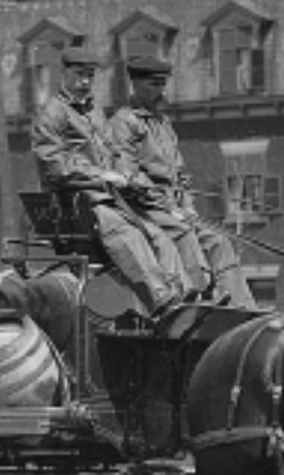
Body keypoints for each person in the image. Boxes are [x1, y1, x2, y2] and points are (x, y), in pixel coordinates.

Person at [30, 45, 190, 317]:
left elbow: (112, 154)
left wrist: (130, 177)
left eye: (90, 76)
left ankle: (184, 297)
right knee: (126, 234)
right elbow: (54, 166)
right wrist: (102, 175)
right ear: (64, 74)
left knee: (158, 235)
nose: (85, 82)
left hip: (109, 197)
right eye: (80, 75)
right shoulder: (51, 114)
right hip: (75, 201)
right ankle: (162, 300)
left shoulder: (94, 113)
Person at [107, 55, 257, 308]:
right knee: (183, 233)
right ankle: (201, 296)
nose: (160, 91)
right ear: (136, 83)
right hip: (141, 208)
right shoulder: (123, 122)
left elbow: (180, 174)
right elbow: (127, 175)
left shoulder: (163, 123)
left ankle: (244, 306)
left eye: (163, 84)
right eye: (154, 84)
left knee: (217, 239)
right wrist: (168, 206)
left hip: (173, 207)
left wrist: (186, 205)